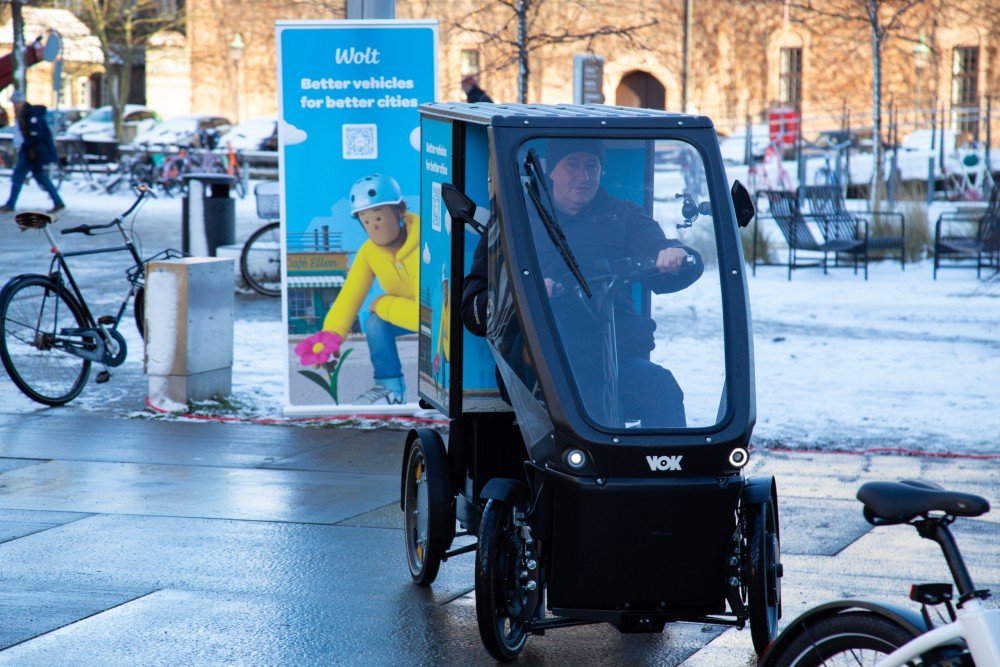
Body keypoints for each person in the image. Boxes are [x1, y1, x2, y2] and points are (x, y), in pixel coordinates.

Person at [461, 139, 703, 427]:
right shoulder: (516, 222)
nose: (583, 176)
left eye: (592, 166)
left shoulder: (624, 216)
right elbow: (473, 307)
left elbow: (658, 249)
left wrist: (674, 256)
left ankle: (663, 468)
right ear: (550, 170)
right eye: (572, 165)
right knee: (576, 400)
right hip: (538, 363)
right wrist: (526, 295)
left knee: (661, 387)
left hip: (613, 358)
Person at [314, 174, 418, 405]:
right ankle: (390, 387)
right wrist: (330, 338)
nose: (374, 226)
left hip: (439, 317)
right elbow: (349, 297)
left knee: (378, 313)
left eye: (378, 217)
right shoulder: (369, 252)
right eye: (366, 221)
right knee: (374, 323)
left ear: (399, 211)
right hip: (405, 313)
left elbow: (426, 312)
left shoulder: (425, 240)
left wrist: (384, 304)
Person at [1, 91, 65, 213]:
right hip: (33, 151)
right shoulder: (25, 114)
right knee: (40, 176)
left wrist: (25, 146)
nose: (14, 105)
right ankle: (58, 201)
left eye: (16, 103)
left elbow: (36, 134)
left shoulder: (30, 115)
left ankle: (10, 204)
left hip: (32, 151)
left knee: (18, 176)